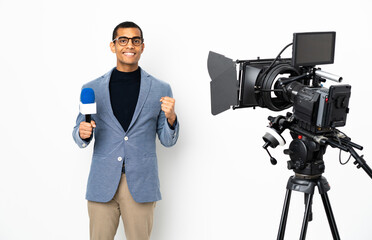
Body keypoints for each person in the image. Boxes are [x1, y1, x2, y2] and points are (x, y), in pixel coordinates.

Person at [72, 21, 179, 240]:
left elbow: (167, 141)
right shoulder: (92, 88)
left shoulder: (160, 88)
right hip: (102, 184)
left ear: (142, 46)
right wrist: (82, 133)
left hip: (141, 184)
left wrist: (171, 117)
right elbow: (79, 131)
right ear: (113, 46)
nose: (129, 45)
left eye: (135, 40)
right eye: (123, 40)